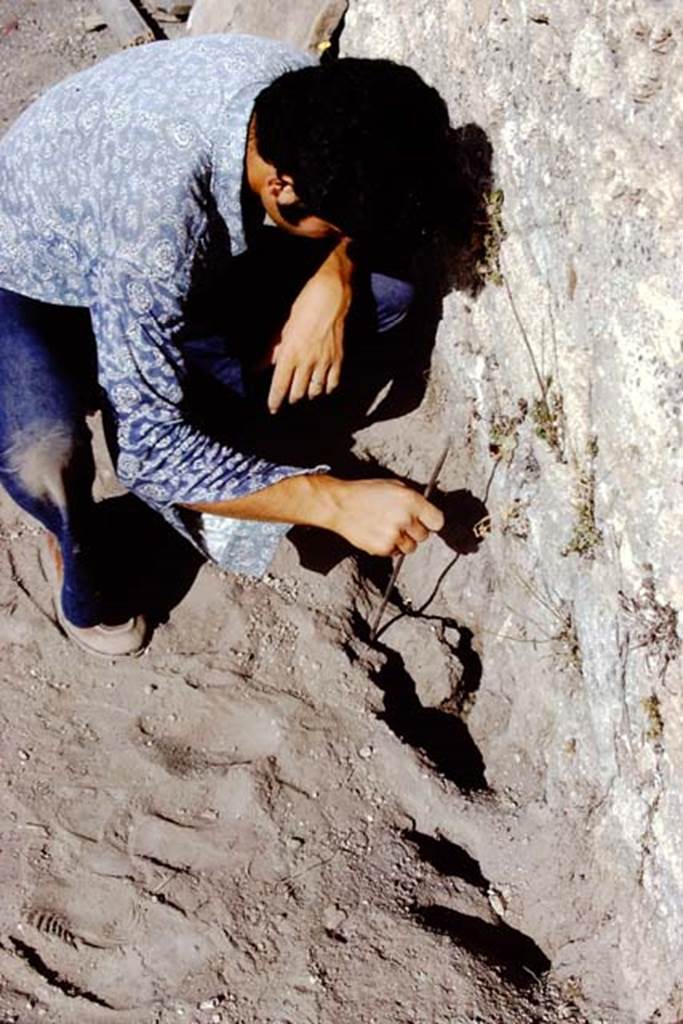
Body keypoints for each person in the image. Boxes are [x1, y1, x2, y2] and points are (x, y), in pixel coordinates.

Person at [0, 34, 448, 657]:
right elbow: (151, 453)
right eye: (339, 225)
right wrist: (337, 505)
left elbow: (367, 211)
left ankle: (222, 430)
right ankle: (79, 548)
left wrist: (337, 273)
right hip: (29, 278)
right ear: (282, 188)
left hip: (134, 243)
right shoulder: (156, 228)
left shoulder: (302, 97)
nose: (345, 235)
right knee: (44, 457)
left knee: (388, 290)